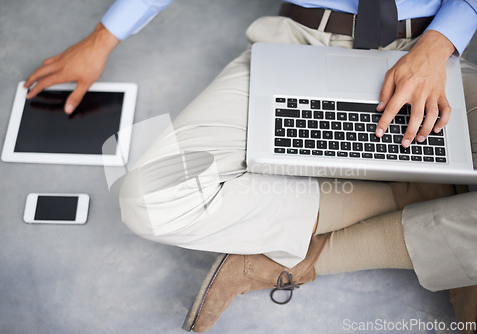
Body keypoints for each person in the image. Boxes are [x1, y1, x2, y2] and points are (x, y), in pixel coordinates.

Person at [25, 1, 477, 332]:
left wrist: (438, 45)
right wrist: (103, 39)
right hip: (301, 43)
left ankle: (294, 260)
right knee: (149, 198)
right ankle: (411, 191)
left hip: (427, 52)